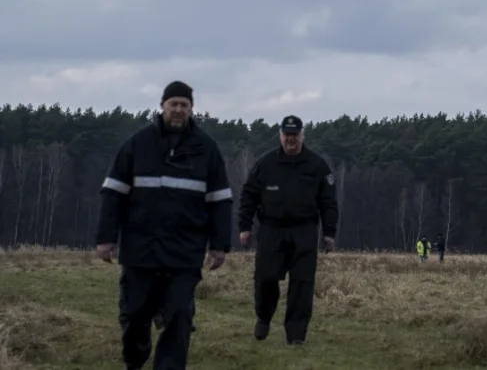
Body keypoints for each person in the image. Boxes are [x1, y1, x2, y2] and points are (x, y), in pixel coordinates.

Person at [95, 80, 232, 370]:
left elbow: (220, 200)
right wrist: (106, 238)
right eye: (174, 104)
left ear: (192, 109)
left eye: (184, 105)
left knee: (180, 314)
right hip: (140, 248)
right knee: (134, 314)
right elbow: (113, 193)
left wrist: (220, 245)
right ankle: (135, 358)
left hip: (185, 250)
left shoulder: (206, 149)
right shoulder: (137, 144)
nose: (179, 110)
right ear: (162, 106)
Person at [237, 114, 339, 346]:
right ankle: (263, 317)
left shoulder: (317, 166)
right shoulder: (265, 164)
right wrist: (245, 227)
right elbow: (248, 196)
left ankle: (296, 335)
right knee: (265, 278)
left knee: (302, 284)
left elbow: (329, 202)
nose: (291, 139)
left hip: (304, 231)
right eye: (287, 134)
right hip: (271, 230)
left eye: (295, 134)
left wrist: (330, 232)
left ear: (302, 135)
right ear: (280, 136)